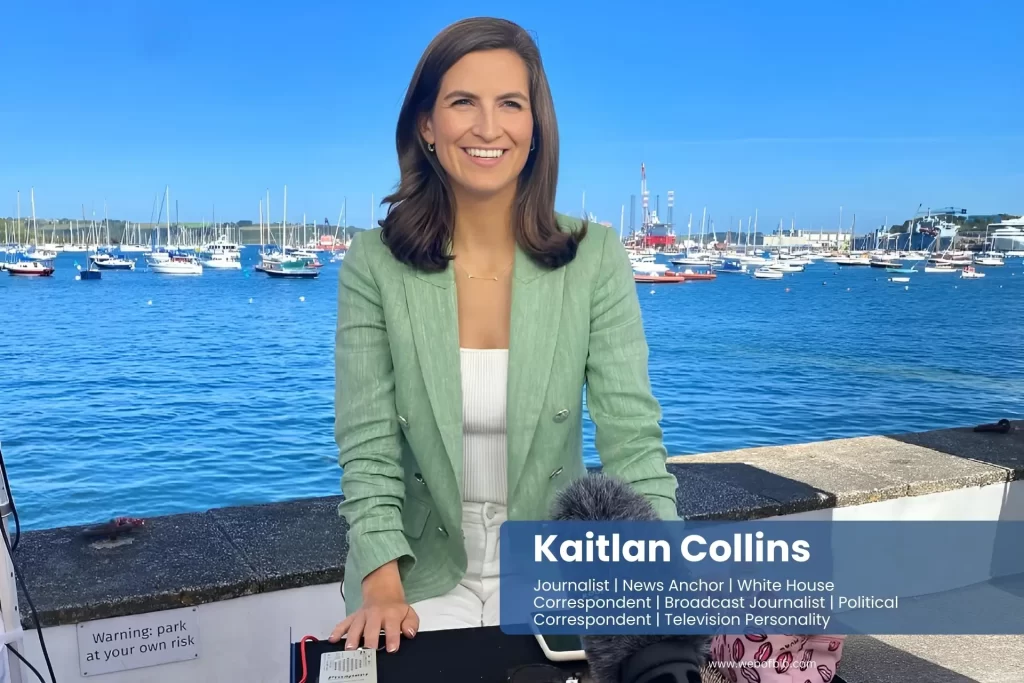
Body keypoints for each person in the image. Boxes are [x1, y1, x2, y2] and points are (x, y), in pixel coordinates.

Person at [328, 16, 679, 654]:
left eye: (510, 104)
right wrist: (380, 583)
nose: (488, 128)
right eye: (463, 102)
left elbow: (633, 440)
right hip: (416, 575)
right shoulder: (373, 264)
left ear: (535, 126)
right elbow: (369, 447)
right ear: (427, 126)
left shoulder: (595, 257)